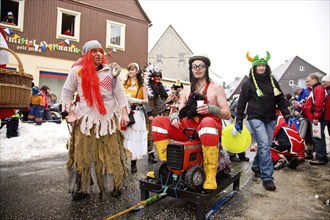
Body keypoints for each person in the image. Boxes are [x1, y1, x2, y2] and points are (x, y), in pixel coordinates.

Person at [61, 40, 130, 201]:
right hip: (85, 119)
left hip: (107, 120)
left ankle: (116, 184)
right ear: (86, 54)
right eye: (93, 51)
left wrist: (125, 113)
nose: (98, 54)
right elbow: (67, 92)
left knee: (112, 153)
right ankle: (81, 187)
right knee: (82, 153)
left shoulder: (110, 72)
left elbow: (120, 95)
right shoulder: (77, 72)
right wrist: (70, 112)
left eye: (100, 51)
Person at [151, 53, 231, 191]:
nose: (198, 69)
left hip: (208, 130)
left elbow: (227, 114)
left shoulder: (216, 87)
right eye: (194, 66)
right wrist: (174, 116)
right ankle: (167, 166)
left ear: (206, 68)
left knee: (207, 122)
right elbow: (180, 112)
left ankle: (210, 175)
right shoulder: (186, 90)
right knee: (158, 121)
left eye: (201, 66)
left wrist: (211, 109)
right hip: (188, 129)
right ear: (191, 69)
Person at [235, 51, 290, 191]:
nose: (261, 68)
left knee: (264, 145)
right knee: (265, 145)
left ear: (266, 67)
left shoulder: (272, 81)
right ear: (254, 67)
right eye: (258, 66)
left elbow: (280, 99)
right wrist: (239, 120)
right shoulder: (248, 83)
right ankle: (267, 177)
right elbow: (241, 103)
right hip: (255, 117)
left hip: (271, 118)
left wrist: (287, 114)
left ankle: (256, 166)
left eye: (263, 65)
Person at [122, 62, 148, 173]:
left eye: (132, 69)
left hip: (137, 113)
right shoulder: (124, 85)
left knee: (134, 137)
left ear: (137, 71)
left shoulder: (142, 85)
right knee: (124, 136)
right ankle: (122, 161)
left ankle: (133, 162)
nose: (130, 71)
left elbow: (146, 100)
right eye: (129, 69)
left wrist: (136, 100)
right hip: (125, 112)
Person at [300, 74, 328, 165]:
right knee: (318, 137)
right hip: (318, 117)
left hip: (318, 118)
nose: (307, 83)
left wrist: (316, 116)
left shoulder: (318, 89)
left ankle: (320, 157)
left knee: (317, 137)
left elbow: (319, 102)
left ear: (314, 80)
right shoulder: (316, 89)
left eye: (308, 81)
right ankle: (322, 156)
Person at [144, 64, 169, 164]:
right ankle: (150, 154)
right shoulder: (148, 88)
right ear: (152, 77)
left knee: (165, 134)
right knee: (151, 134)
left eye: (159, 77)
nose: (158, 79)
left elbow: (163, 99)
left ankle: (163, 153)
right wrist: (149, 114)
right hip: (153, 114)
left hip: (163, 112)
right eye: (156, 77)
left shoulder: (161, 87)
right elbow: (147, 102)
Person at [228, 95, 249, 162]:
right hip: (234, 120)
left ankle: (242, 155)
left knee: (241, 137)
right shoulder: (240, 98)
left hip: (242, 119)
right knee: (233, 138)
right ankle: (232, 155)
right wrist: (236, 118)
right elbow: (231, 109)